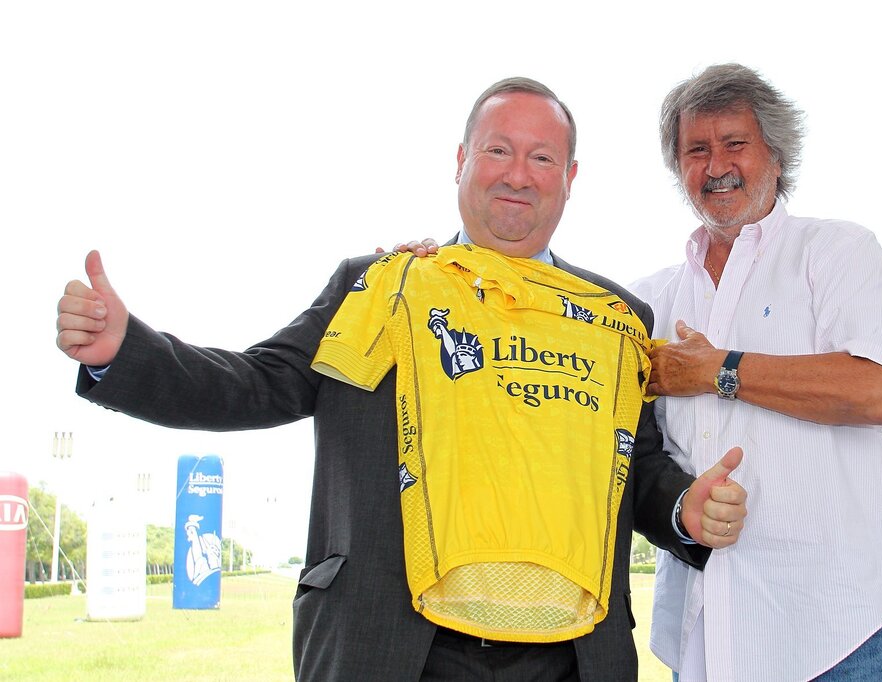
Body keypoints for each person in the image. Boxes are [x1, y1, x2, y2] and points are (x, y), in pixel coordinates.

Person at [55, 77, 748, 681]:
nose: (518, 174)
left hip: (568, 657)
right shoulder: (384, 286)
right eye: (498, 150)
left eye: (541, 157)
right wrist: (124, 349)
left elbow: (637, 466)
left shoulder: (615, 318)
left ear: (569, 177)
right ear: (461, 160)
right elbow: (257, 384)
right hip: (390, 645)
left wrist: (683, 509)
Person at [627, 63, 882, 681]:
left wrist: (717, 370)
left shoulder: (837, 251)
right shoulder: (648, 300)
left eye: (735, 143)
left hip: (844, 637)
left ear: (778, 156)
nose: (716, 165)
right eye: (696, 150)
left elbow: (877, 390)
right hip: (705, 640)